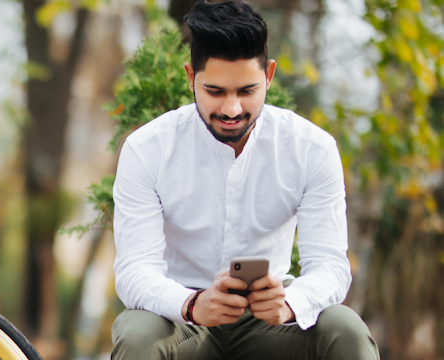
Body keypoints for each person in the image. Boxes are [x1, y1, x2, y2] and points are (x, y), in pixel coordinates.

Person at [109, 1, 379, 359]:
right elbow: (134, 271)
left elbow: (330, 266)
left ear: (268, 76)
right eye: (215, 91)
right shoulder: (147, 149)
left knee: (346, 329)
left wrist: (289, 304)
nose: (232, 110)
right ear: (191, 77)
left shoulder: (312, 149)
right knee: (136, 333)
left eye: (247, 91)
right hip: (181, 317)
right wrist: (193, 305)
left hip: (271, 316)